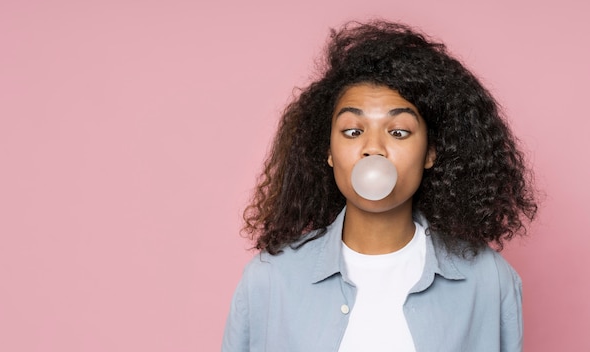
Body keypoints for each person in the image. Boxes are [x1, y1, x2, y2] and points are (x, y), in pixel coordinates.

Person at [222, 20, 537, 352]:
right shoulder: (269, 280)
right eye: (353, 131)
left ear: (430, 152)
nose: (373, 149)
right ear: (328, 151)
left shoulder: (488, 281)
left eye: (398, 132)